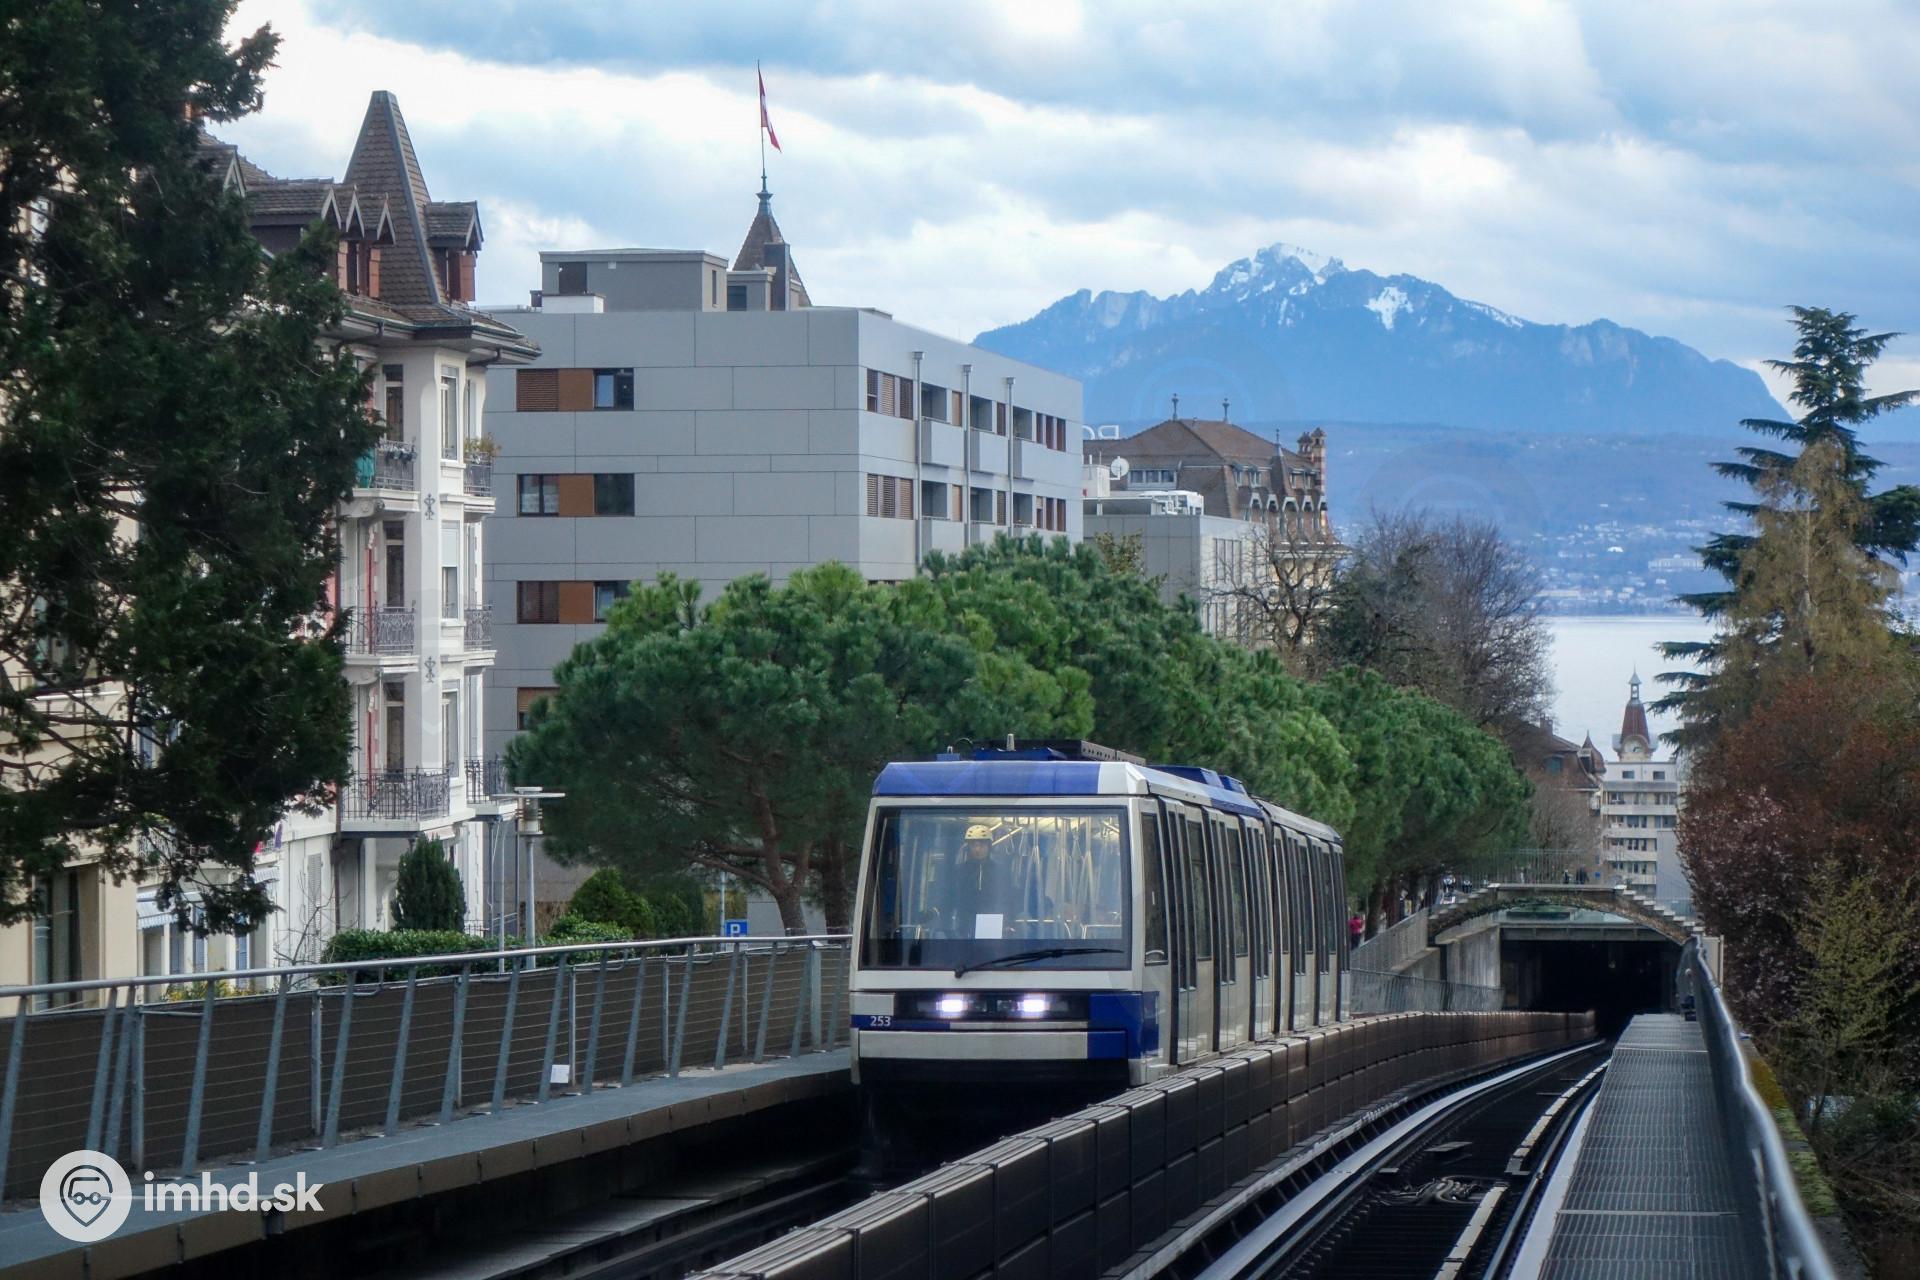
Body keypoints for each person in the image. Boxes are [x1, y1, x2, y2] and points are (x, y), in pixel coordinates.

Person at [940, 823, 1013, 937]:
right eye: (973, 845)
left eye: (982, 845)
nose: (977, 849)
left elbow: (1008, 899)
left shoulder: (1000, 871)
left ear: (989, 846)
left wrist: (1007, 922)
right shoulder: (959, 870)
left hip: (992, 923)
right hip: (963, 923)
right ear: (968, 847)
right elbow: (949, 897)